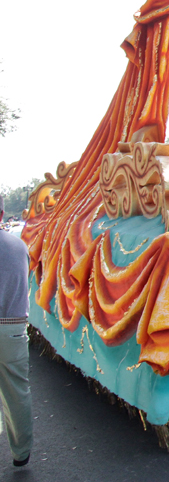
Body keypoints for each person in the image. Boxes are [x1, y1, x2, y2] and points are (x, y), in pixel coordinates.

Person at [0, 197, 33, 467]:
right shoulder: (19, 246)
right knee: (17, 393)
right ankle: (21, 452)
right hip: (13, 327)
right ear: (2, 214)